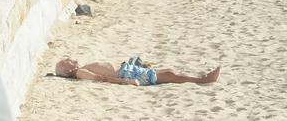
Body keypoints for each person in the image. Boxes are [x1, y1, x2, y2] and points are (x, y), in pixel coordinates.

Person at [54, 57, 221, 86]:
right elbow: (101, 78)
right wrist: (127, 82)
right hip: (127, 75)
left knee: (169, 72)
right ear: (68, 69)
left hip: (127, 70)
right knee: (169, 75)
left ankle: (199, 78)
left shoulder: (81, 69)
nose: (71, 59)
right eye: (67, 61)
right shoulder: (80, 72)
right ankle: (203, 80)